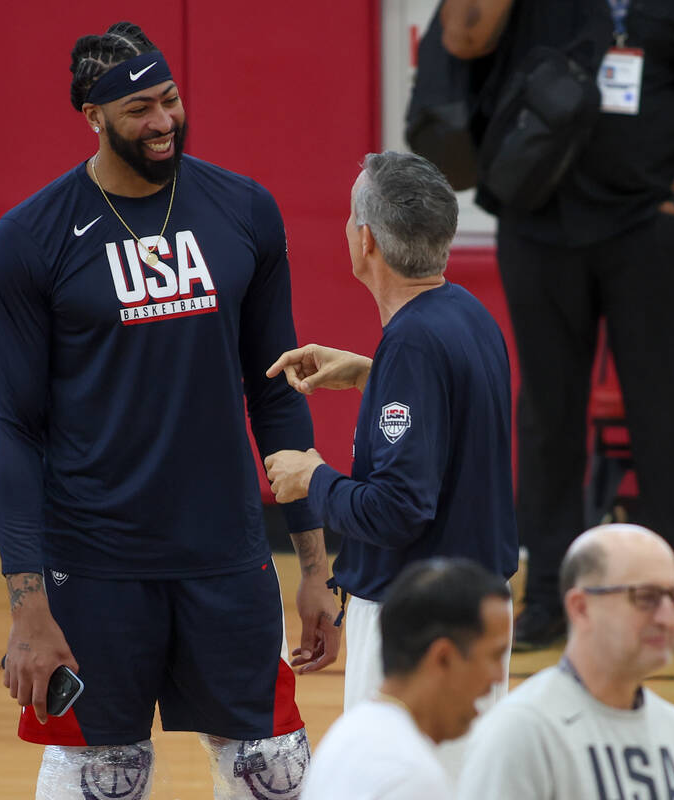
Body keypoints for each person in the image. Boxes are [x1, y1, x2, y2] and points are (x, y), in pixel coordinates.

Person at [0, 21, 340, 799]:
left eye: (171, 99)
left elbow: (277, 396)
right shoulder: (31, 238)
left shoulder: (245, 211)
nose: (163, 121)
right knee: (102, 780)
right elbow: (15, 430)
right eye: (138, 107)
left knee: (274, 776)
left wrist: (316, 568)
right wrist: (29, 608)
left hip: (226, 556)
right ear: (92, 114)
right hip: (94, 568)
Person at [440, 0, 674, 656]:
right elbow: (463, 38)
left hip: (649, 231)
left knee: (663, 414)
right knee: (548, 417)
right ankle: (546, 599)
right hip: (538, 226)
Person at [264, 151, 518, 715]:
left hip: (419, 621)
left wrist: (314, 479)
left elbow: (399, 510)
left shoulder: (412, 344)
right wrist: (370, 375)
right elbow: (456, 417)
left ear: (367, 241)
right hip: (474, 605)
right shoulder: (469, 316)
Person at [457, 523, 674, 798]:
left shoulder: (673, 726)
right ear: (580, 607)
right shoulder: (522, 730)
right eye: (646, 598)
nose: (667, 619)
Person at [303, 558, 512, 800]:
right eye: (493, 656)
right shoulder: (412, 777)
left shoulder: (345, 733)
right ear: (443, 657)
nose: (498, 676)